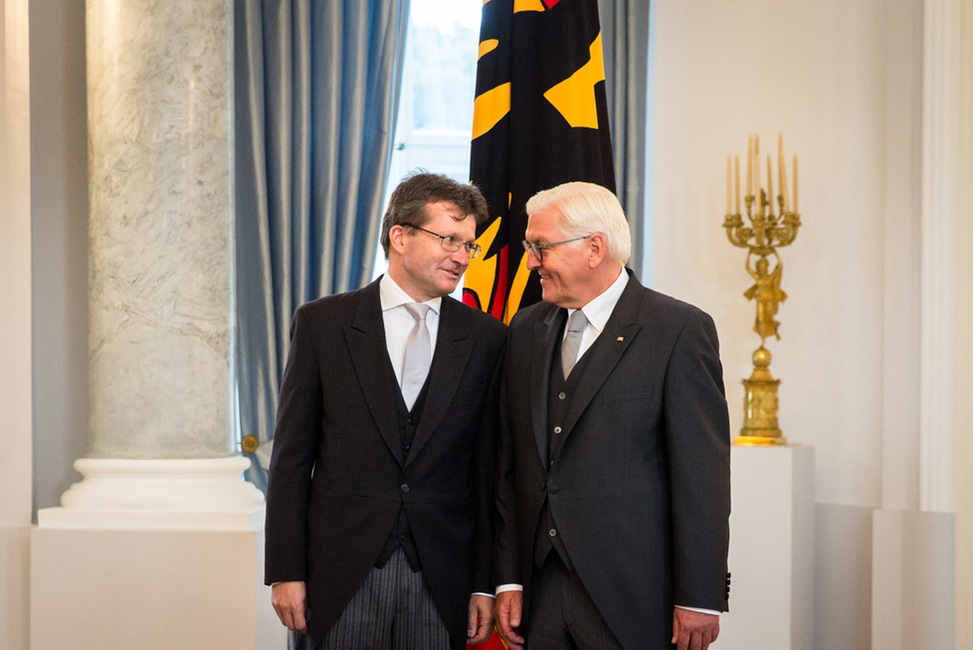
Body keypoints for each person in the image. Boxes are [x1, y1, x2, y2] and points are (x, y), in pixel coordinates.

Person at [264, 172, 507, 649]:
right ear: (401, 236)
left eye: (469, 246)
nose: (462, 257)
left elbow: (487, 472)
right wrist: (285, 571)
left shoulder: (487, 338)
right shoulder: (323, 325)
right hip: (339, 577)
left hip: (442, 578)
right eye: (449, 239)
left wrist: (484, 581)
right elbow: (292, 458)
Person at [493, 182, 731, 650]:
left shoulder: (678, 330)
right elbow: (509, 467)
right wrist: (508, 580)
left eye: (540, 248)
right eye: (528, 247)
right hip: (538, 597)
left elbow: (701, 476)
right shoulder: (525, 330)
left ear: (594, 248)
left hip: (635, 599)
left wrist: (700, 597)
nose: (529, 263)